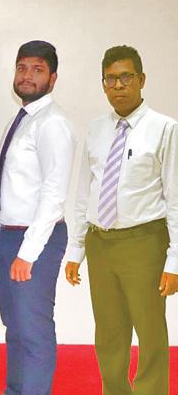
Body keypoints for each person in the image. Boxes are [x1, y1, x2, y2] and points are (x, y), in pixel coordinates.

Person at [65, 45, 177, 395]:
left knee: (150, 332)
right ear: (103, 84)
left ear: (141, 80)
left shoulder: (164, 128)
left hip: (144, 243)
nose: (118, 85)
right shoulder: (97, 129)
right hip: (101, 243)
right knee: (109, 332)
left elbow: (175, 199)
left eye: (126, 77)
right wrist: (76, 249)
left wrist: (174, 261)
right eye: (110, 79)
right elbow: (85, 192)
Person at [0, 41, 75, 395]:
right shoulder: (20, 118)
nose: (27, 76)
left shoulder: (54, 124)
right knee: (14, 325)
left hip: (36, 240)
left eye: (37, 70)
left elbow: (53, 194)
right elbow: (6, 182)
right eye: (22, 68)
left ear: (53, 77)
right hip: (9, 235)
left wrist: (28, 252)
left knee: (33, 328)